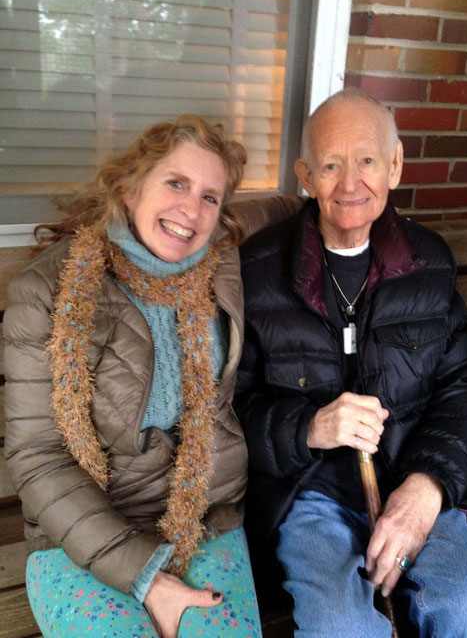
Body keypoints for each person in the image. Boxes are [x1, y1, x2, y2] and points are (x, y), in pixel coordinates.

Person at [234, 88, 467, 637]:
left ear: (394, 165)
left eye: (367, 160)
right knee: (343, 629)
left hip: (415, 483)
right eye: (329, 164)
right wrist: (311, 427)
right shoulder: (258, 270)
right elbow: (231, 411)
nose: (350, 183)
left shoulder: (428, 262)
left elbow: (462, 397)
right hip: (309, 496)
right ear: (304, 175)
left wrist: (426, 490)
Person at [4, 115, 298, 638]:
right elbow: (37, 455)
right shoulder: (47, 293)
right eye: (176, 183)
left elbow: (286, 206)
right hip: (82, 529)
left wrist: (337, 191)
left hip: (208, 517)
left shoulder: (221, 257)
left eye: (211, 196)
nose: (192, 209)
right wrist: (145, 578)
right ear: (129, 187)